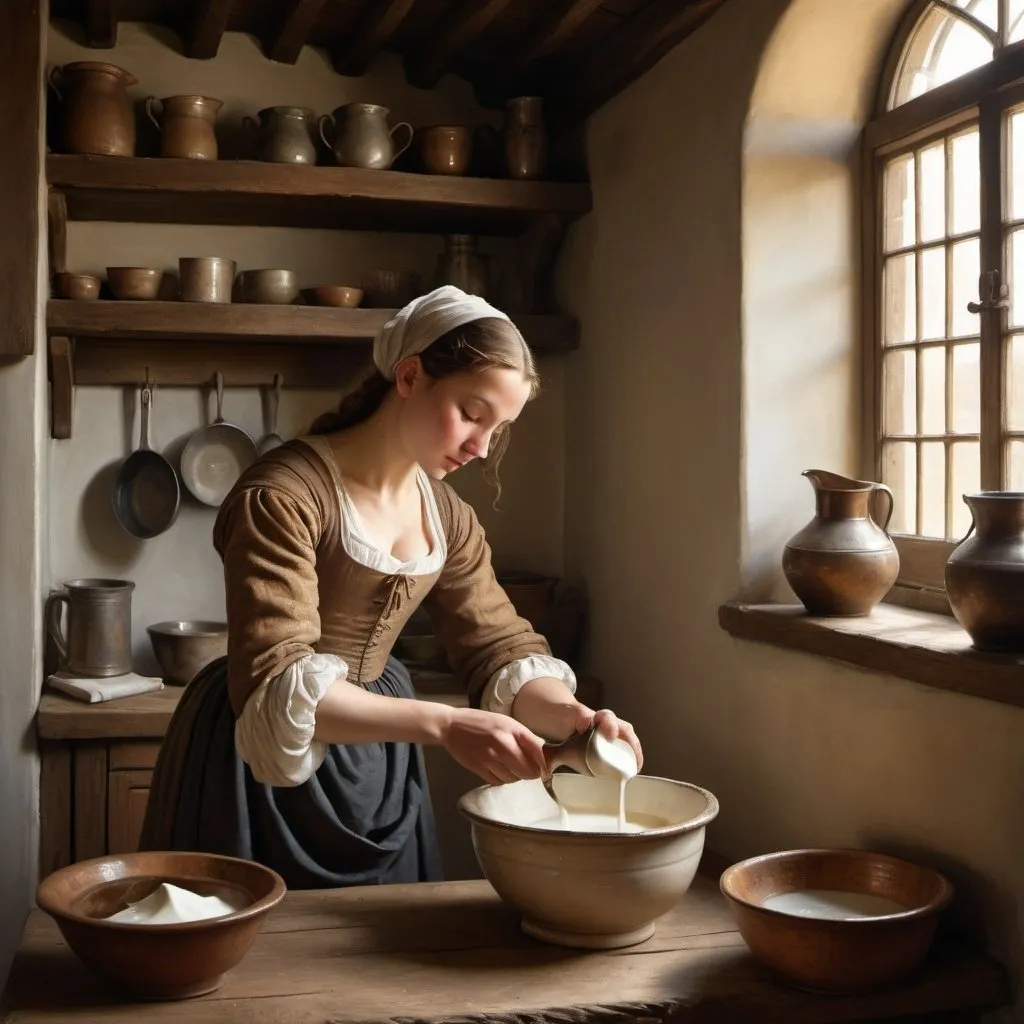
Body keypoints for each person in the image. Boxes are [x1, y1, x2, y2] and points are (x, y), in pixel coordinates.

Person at [140, 285, 643, 888]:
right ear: (409, 377)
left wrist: (575, 720)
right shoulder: (281, 496)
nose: (481, 447)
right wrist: (442, 724)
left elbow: (497, 647)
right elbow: (280, 677)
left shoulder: (448, 516)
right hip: (263, 756)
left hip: (380, 760)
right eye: (472, 413)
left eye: (499, 428)